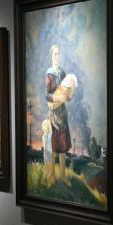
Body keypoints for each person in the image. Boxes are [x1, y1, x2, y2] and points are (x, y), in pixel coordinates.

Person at [44, 44, 73, 183]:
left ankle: (62, 176)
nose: (57, 56)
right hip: (54, 114)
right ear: (51, 55)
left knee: (63, 146)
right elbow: (47, 95)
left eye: (58, 54)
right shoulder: (49, 74)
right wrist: (58, 98)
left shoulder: (62, 73)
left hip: (63, 113)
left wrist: (68, 95)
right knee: (54, 147)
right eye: (55, 54)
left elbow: (67, 91)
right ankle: (52, 177)